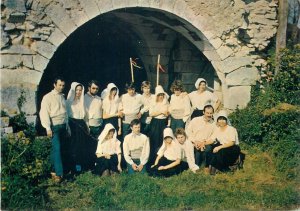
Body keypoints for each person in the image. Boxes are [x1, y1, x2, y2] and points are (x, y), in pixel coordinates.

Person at [39, 77, 69, 182]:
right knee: (57, 149)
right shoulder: (48, 97)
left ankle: (53, 170)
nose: (61, 87)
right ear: (54, 85)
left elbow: (66, 114)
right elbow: (44, 113)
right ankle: (59, 175)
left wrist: (67, 127)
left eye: (63, 85)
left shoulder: (63, 97)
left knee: (60, 149)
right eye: (59, 85)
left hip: (63, 126)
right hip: (54, 126)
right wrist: (48, 128)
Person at [204, 110, 242, 175]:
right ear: (217, 120)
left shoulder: (231, 129)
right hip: (222, 146)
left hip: (232, 147)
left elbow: (232, 143)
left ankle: (223, 169)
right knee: (210, 149)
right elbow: (212, 139)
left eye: (223, 119)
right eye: (220, 119)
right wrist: (203, 143)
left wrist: (219, 147)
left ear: (226, 120)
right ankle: (209, 167)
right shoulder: (217, 129)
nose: (221, 121)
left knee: (220, 152)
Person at [185, 104, 216, 173]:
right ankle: (195, 165)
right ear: (203, 112)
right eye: (207, 113)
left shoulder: (214, 124)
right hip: (194, 141)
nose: (209, 115)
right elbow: (188, 131)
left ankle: (206, 166)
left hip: (205, 143)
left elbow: (213, 137)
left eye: (211, 113)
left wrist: (204, 143)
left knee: (208, 149)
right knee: (193, 148)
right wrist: (194, 141)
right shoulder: (196, 120)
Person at [66, 82, 89, 173]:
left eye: (80, 90)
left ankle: (81, 166)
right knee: (73, 147)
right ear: (73, 90)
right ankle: (73, 167)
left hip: (81, 125)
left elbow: (85, 116)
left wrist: (87, 126)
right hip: (72, 125)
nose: (78, 92)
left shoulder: (82, 102)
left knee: (81, 146)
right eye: (77, 90)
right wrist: (68, 127)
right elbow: (66, 116)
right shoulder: (68, 102)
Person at [148, 85, 169, 166]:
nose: (161, 96)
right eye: (159, 95)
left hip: (163, 123)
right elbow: (151, 113)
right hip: (155, 123)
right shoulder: (153, 102)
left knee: (162, 141)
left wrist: (166, 113)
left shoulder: (166, 102)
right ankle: (153, 160)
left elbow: (167, 113)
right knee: (154, 141)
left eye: (162, 95)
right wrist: (161, 112)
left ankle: (160, 160)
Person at [84, 80, 103, 170]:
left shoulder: (99, 99)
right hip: (89, 126)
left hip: (98, 126)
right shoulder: (84, 98)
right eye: (93, 88)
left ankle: (97, 165)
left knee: (97, 146)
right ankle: (89, 166)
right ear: (89, 88)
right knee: (89, 147)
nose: (95, 90)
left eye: (97, 89)